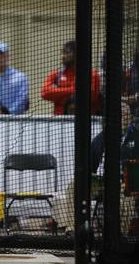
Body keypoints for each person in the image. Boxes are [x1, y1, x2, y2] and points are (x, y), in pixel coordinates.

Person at [51, 102, 134, 235]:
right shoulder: (102, 137)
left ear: (129, 117)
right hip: (100, 181)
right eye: (119, 115)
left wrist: (127, 180)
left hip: (123, 183)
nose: (123, 118)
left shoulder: (134, 137)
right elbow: (89, 163)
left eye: (125, 115)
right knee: (75, 185)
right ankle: (74, 230)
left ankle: (120, 235)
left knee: (128, 198)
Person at [41, 40, 102, 115]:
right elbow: (45, 93)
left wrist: (58, 95)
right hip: (59, 121)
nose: (63, 56)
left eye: (66, 53)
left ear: (77, 54)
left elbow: (89, 97)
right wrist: (73, 90)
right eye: (62, 53)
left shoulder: (92, 75)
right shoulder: (56, 75)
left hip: (86, 120)